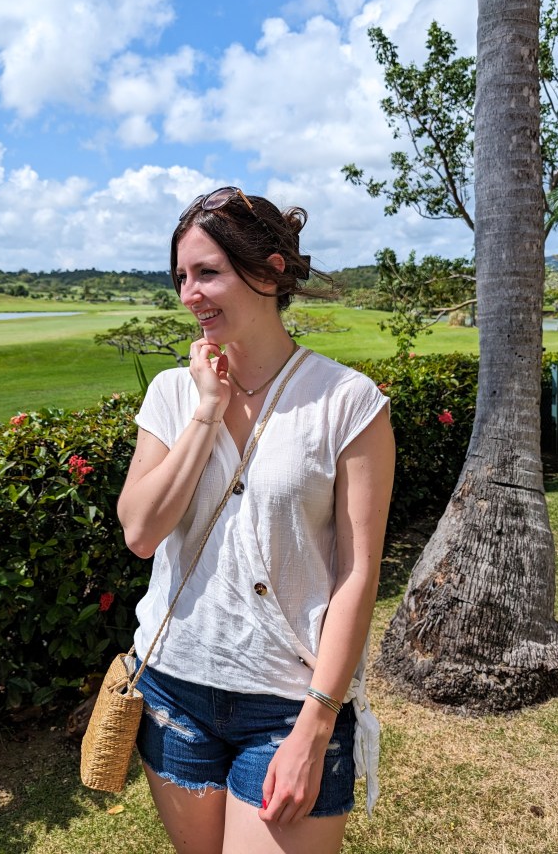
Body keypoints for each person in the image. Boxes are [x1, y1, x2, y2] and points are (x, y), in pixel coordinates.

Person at [117, 186, 395, 854]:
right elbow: (141, 533)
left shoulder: (347, 403)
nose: (189, 294)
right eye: (181, 276)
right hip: (173, 687)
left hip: (287, 702)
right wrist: (205, 412)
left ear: (270, 272)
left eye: (207, 272)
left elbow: (355, 573)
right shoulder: (172, 392)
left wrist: (317, 724)